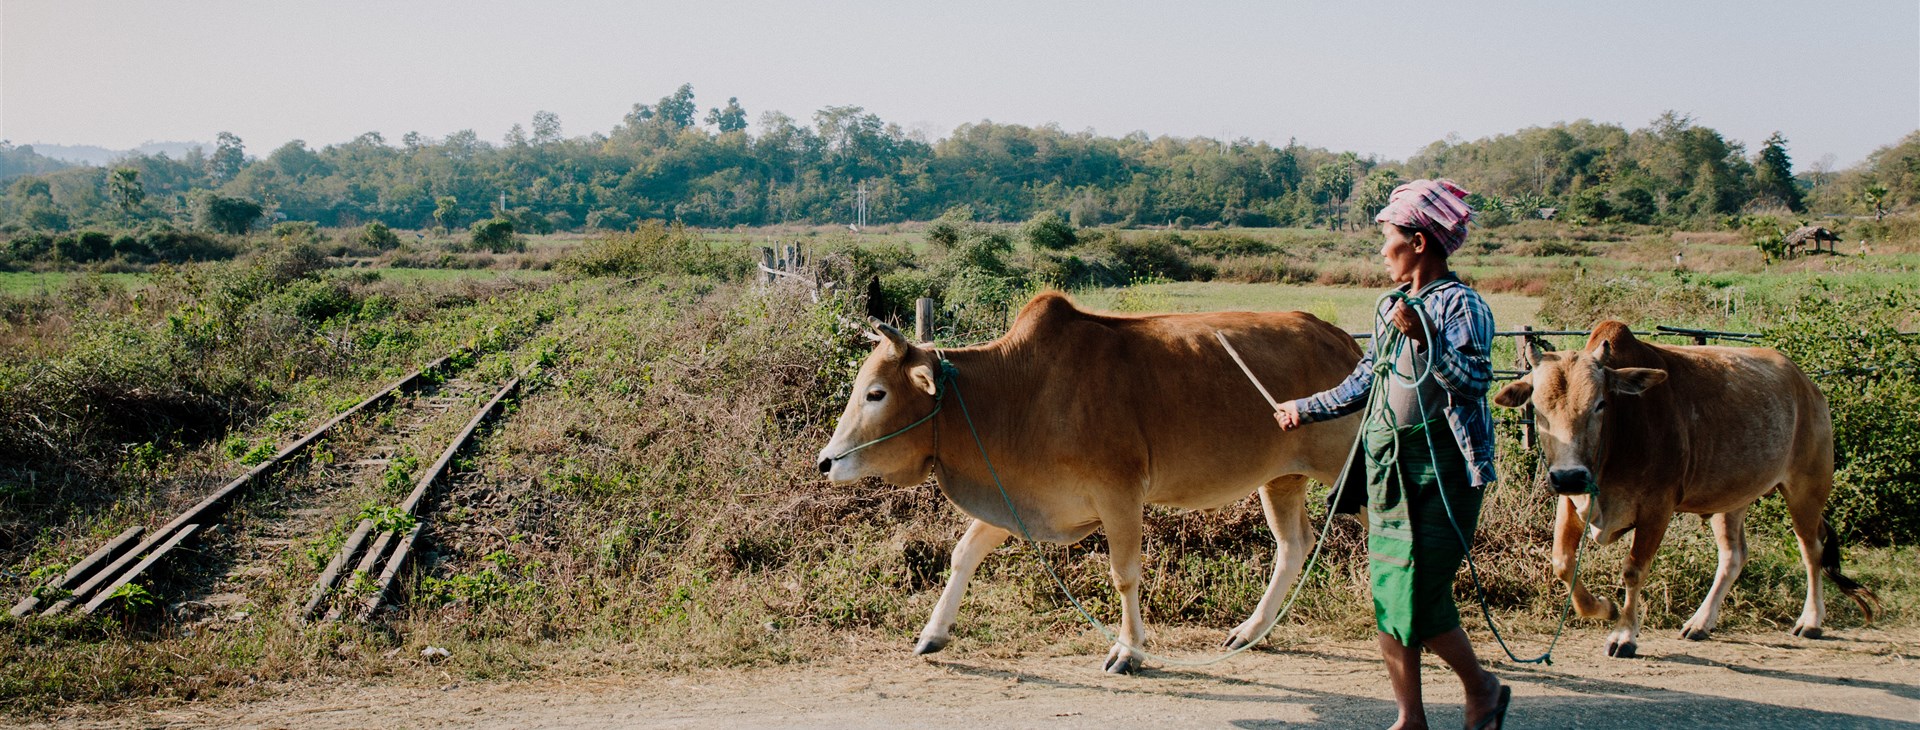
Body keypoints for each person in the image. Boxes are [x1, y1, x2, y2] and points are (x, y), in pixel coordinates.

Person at [1274, 179, 1509, 730]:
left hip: (1443, 470)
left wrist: (1428, 338)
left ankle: (1482, 688)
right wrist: (1303, 409)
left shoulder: (1462, 305)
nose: (1383, 250)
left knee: (1422, 596)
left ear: (1419, 243)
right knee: (1390, 590)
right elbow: (1363, 382)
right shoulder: (1392, 309)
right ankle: (1411, 718)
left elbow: (1475, 382)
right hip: (1387, 469)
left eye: (1389, 238)